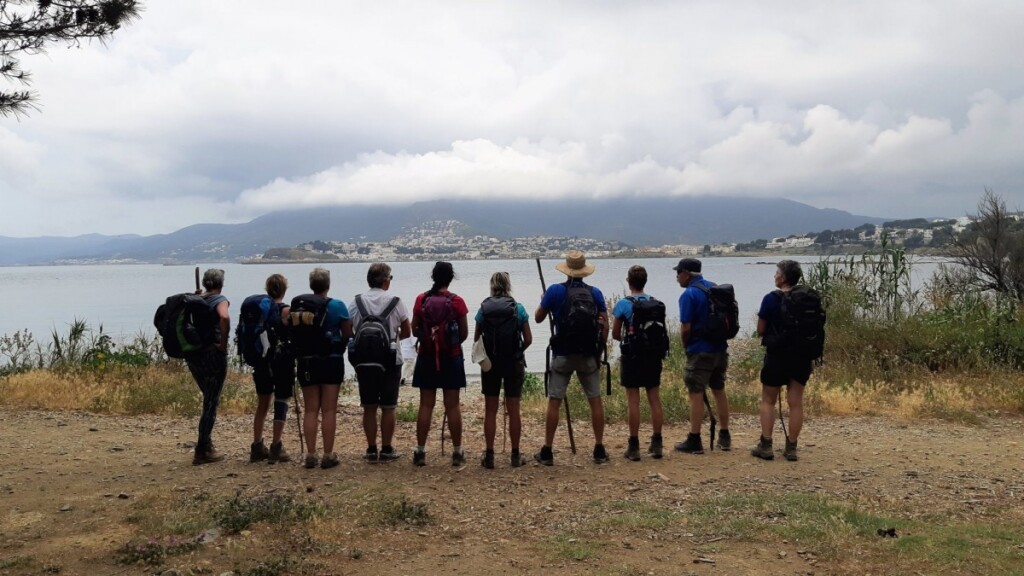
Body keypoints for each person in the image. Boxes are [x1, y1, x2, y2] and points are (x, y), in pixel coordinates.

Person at [534, 250, 609, 466]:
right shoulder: (595, 293)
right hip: (588, 354)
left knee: (554, 401)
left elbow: (538, 318)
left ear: (566, 270)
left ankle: (547, 450)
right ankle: (599, 449)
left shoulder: (555, 290)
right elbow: (604, 325)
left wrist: (544, 301)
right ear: (584, 271)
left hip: (563, 354)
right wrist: (598, 353)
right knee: (595, 400)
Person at [752, 260, 815, 462]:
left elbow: (761, 329)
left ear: (784, 277)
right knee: (796, 402)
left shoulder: (771, 299)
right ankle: (791, 447)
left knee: (768, 400)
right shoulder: (808, 298)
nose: (774, 276)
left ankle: (766, 445)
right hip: (802, 355)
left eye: (777, 272)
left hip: (777, 355)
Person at [349, 263, 411, 463]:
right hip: (391, 359)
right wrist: (392, 338)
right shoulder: (396, 302)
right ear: (386, 281)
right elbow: (407, 331)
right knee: (388, 406)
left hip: (364, 360)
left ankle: (371, 449)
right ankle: (386, 448)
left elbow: (349, 330)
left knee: (368, 406)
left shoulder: (356, 302)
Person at [292, 267, 352, 470]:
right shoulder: (337, 305)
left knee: (310, 409)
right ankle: (328, 454)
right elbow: (347, 332)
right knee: (329, 410)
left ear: (311, 285)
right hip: (331, 360)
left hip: (306, 361)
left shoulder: (300, 306)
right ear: (328, 284)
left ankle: (310, 454)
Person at [410, 262, 469, 467]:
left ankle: (420, 451)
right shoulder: (457, 301)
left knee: (426, 404)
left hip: (426, 357)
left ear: (433, 277)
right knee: (452, 405)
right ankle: (457, 452)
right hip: (451, 358)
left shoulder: (421, 299)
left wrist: (429, 340)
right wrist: (449, 344)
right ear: (451, 278)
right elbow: (464, 334)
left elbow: (414, 328)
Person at [473, 272, 533, 468]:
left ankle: (489, 455)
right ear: (508, 286)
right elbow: (529, 339)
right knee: (513, 409)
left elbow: (476, 339)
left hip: (490, 364)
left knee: (490, 410)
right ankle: (515, 455)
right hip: (513, 363)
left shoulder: (483, 309)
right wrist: (518, 352)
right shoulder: (518, 308)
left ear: (492, 286)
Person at [673, 258, 731, 454]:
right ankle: (725, 435)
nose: (677, 277)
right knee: (719, 389)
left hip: (699, 349)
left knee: (696, 393)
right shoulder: (714, 288)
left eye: (678, 273)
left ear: (687, 274)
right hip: (720, 348)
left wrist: (686, 346)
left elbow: (686, 327)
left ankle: (695, 438)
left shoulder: (689, 294)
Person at [611, 265, 667, 461]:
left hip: (633, 357)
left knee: (633, 401)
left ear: (629, 281)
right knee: (654, 399)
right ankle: (657, 444)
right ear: (645, 281)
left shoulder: (623, 304)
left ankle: (634, 446)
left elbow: (615, 334)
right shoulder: (655, 302)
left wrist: (630, 340)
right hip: (653, 356)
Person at [248, 274, 295, 464]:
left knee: (263, 404)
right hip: (282, 362)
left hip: (261, 362)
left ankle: (257, 445)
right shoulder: (286, 311)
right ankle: (276, 445)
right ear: (284, 289)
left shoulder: (260, 310)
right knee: (281, 400)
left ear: (267, 289)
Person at [187, 268, 230, 465]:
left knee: (208, 398)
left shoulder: (196, 299)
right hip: (213, 355)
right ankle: (202, 449)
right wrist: (223, 344)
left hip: (194, 356)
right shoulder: (219, 300)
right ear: (221, 283)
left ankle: (206, 443)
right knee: (211, 402)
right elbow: (224, 317)